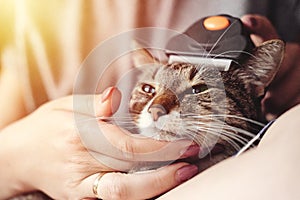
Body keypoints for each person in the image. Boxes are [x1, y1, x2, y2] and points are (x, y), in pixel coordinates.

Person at [0, 0, 299, 199]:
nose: (158, 108)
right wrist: (16, 159)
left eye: (196, 90)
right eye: (148, 90)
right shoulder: (36, 14)